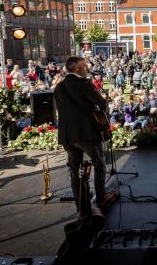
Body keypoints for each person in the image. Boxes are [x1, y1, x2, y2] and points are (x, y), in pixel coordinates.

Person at [54, 56, 116, 213]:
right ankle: (101, 197)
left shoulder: (59, 87)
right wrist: (102, 119)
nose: (87, 67)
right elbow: (102, 104)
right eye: (84, 65)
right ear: (76, 69)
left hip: (67, 135)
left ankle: (80, 205)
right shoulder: (84, 84)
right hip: (86, 133)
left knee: (74, 170)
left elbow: (61, 110)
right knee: (99, 163)